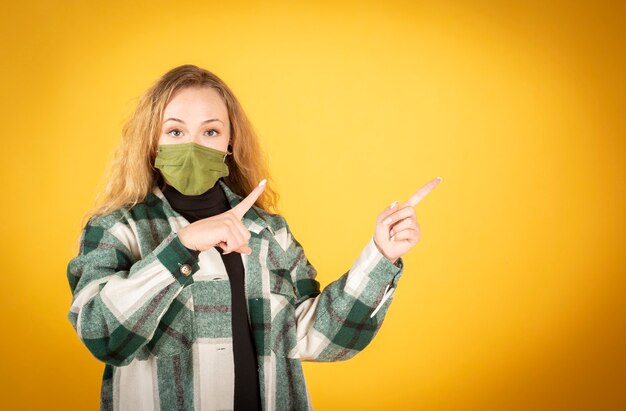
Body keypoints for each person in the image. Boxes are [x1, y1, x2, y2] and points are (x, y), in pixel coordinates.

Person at [66, 64, 442, 411]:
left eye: (210, 131)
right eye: (175, 131)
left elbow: (320, 338)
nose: (193, 145)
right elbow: (102, 336)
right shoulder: (116, 229)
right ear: (153, 141)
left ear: (229, 143)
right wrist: (183, 245)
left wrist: (381, 255)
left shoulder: (269, 231)